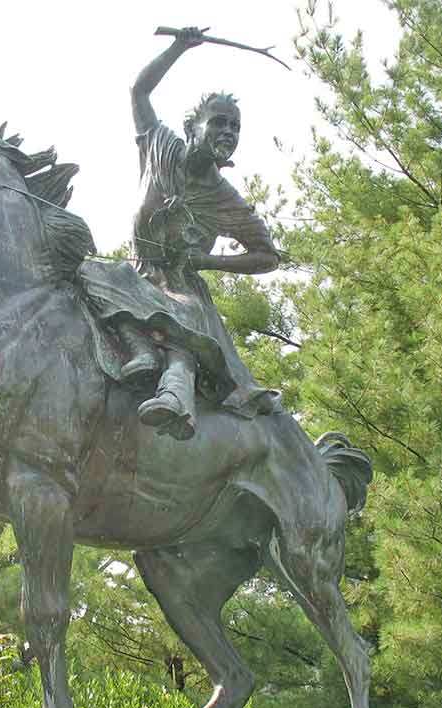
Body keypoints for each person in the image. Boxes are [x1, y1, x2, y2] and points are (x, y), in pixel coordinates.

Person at [78, 26, 283, 440]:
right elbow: (139, 92)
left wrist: (207, 261)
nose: (228, 132)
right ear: (193, 127)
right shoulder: (161, 147)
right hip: (137, 272)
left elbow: (268, 256)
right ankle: (137, 349)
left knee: (181, 320)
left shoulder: (226, 199)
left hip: (179, 286)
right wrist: (178, 48)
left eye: (235, 127)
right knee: (85, 270)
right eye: (219, 123)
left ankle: (176, 395)